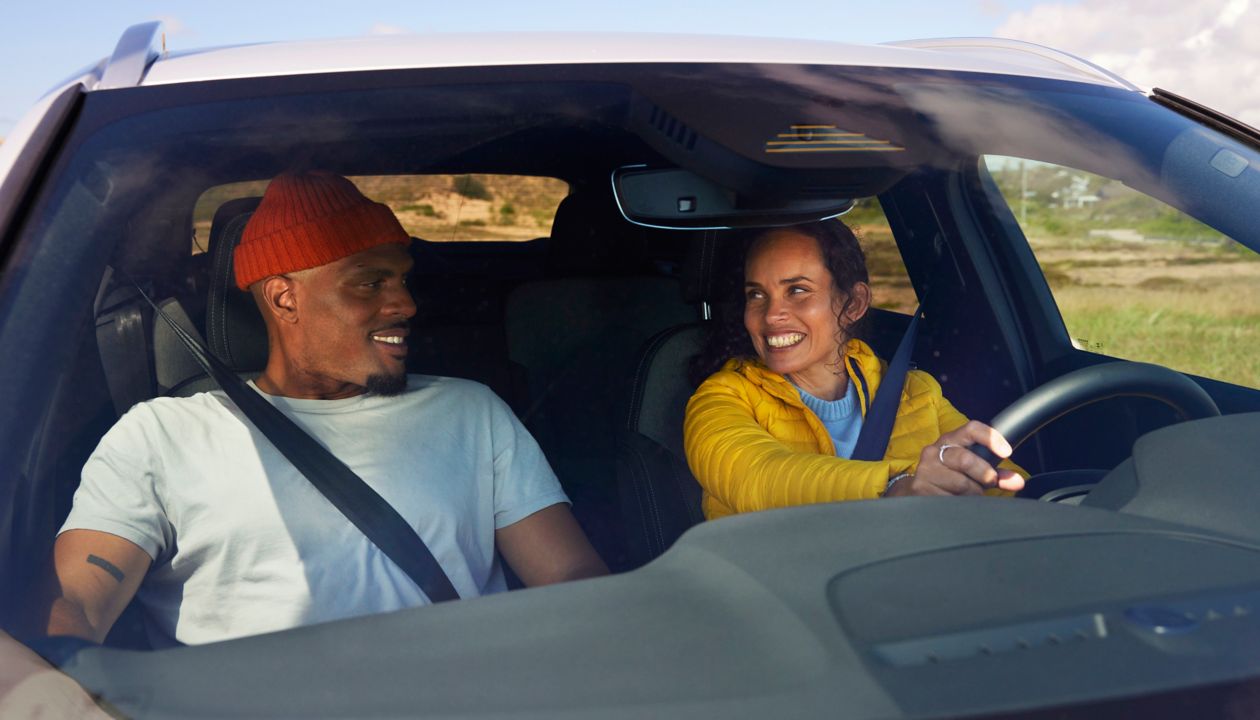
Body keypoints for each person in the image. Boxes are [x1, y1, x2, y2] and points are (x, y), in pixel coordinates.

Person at [40, 171, 607, 647]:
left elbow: (572, 579)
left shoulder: (472, 412)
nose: (406, 303)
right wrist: (46, 683)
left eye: (404, 280)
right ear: (285, 298)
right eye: (370, 282)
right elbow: (79, 601)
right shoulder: (162, 435)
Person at [683, 221, 1025, 521]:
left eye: (797, 291)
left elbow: (1005, 488)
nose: (772, 315)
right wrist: (898, 487)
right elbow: (756, 478)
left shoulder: (916, 393)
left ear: (853, 304)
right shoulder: (720, 398)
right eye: (756, 295)